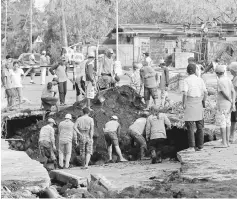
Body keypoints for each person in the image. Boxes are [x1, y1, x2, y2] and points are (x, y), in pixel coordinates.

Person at [183, 64, 208, 152]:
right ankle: (200, 146)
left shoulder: (186, 80)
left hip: (189, 102)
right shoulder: (200, 80)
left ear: (187, 71)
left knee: (190, 126)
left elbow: (185, 93)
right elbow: (205, 92)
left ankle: (191, 147)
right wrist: (203, 101)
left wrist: (184, 104)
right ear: (195, 71)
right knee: (200, 126)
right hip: (199, 103)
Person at [215, 65, 236, 147]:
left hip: (223, 104)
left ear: (217, 73)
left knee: (222, 123)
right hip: (229, 104)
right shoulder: (228, 79)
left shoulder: (220, 81)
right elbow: (233, 91)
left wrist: (229, 100)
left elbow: (224, 93)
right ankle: (227, 142)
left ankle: (224, 142)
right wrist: (233, 102)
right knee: (228, 122)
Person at [229, 62, 237, 144]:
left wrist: (233, 102)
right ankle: (231, 136)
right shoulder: (234, 77)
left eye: (230, 70)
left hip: (235, 100)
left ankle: (231, 136)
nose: (229, 71)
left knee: (234, 119)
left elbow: (234, 91)